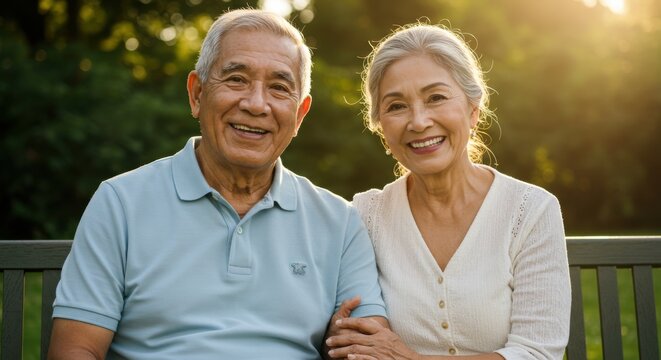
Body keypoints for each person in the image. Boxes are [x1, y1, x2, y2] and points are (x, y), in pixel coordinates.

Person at [48, 9, 387, 359]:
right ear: (197, 94)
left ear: (299, 114)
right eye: (237, 79)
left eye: (279, 88)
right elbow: (76, 350)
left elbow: (370, 345)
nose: (256, 104)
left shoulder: (340, 222)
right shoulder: (120, 203)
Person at [325, 23, 571, 360]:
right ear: (381, 127)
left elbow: (537, 353)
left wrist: (409, 359)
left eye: (436, 98)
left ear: (473, 110)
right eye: (396, 106)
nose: (419, 121)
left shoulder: (530, 210)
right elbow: (357, 338)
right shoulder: (366, 215)